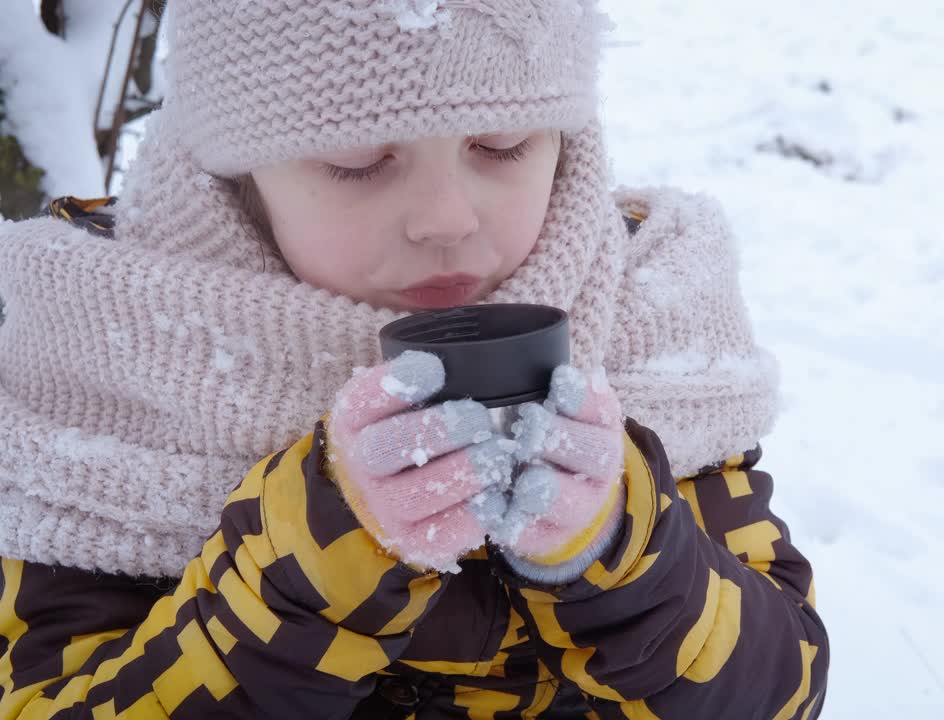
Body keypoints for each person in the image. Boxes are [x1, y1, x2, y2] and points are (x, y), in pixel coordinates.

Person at [0, 1, 829, 717]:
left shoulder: (649, 311)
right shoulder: (106, 349)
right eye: (358, 160)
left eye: (502, 145)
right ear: (237, 176)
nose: (445, 218)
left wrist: (624, 547)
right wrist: (313, 559)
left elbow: (780, 690)